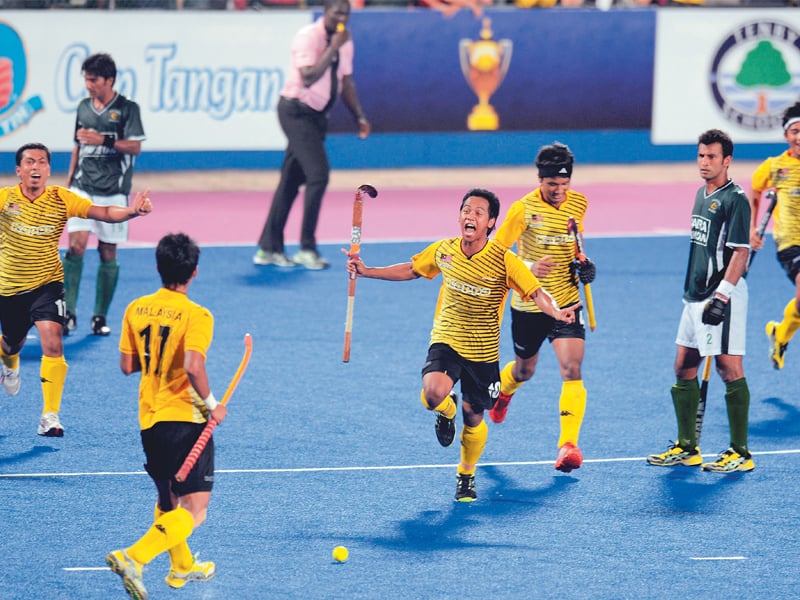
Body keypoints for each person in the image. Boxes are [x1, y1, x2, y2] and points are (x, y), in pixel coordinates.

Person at [346, 188, 579, 502]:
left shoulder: (504, 261)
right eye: (466, 210)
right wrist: (367, 271)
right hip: (447, 340)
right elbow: (413, 269)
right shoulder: (445, 250)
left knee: (474, 418)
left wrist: (555, 311)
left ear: (491, 222)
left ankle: (466, 475)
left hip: (482, 354)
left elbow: (537, 293)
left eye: (478, 212)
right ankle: (446, 408)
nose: (470, 216)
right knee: (432, 394)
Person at [0, 143, 152, 437]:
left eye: (42, 162)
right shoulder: (5, 199)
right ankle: (8, 361)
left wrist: (133, 211)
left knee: (53, 342)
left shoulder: (61, 198)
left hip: (48, 284)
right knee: (11, 343)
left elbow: (104, 211)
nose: (36, 167)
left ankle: (50, 416)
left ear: (47, 170)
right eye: (29, 162)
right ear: (19, 170)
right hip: (10, 288)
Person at [107, 232, 226, 599]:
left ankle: (182, 566)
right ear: (195, 272)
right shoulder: (197, 315)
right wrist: (212, 403)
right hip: (185, 421)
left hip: (149, 420)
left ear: (158, 267)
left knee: (168, 499)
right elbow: (193, 364)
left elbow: (127, 366)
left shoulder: (135, 307)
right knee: (195, 510)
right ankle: (134, 557)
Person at [647, 129, 754, 473]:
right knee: (683, 366)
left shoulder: (735, 199)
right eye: (701, 156)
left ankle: (740, 452)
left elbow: (741, 252)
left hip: (720, 295)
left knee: (728, 368)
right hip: (693, 296)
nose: (704, 163)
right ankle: (687, 446)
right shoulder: (700, 194)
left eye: (711, 157)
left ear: (727, 160)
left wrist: (721, 297)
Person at [489, 142, 594, 474]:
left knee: (571, 369)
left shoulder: (579, 204)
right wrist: (529, 266)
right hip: (530, 302)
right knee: (524, 371)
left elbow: (576, 247)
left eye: (565, 184)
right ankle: (504, 393)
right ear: (540, 179)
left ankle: (568, 445)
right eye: (553, 185)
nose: (560, 191)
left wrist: (586, 265)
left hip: (566, 299)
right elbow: (494, 253)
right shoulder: (522, 210)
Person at [254, 0, 370, 270]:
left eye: (346, 13)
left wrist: (359, 116)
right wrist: (333, 48)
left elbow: (345, 82)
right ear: (325, 12)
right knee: (318, 174)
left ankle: (268, 248)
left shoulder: (345, 42)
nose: (341, 17)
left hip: (317, 118)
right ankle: (307, 248)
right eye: (336, 12)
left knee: (290, 181)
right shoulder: (309, 36)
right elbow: (308, 76)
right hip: (296, 111)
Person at [62, 52, 146, 337]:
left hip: (113, 192)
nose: (88, 85)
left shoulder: (127, 109)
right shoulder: (83, 107)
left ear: (109, 80)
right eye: (86, 79)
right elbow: (78, 146)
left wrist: (105, 139)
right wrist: (68, 183)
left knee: (107, 252)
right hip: (82, 189)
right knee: (76, 246)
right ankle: (68, 312)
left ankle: (99, 316)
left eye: (93, 79)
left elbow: (135, 147)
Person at [751, 101, 800, 371]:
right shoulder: (774, 166)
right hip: (791, 243)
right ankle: (781, 336)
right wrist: (753, 229)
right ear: (786, 136)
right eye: (795, 130)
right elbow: (756, 191)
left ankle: (779, 333)